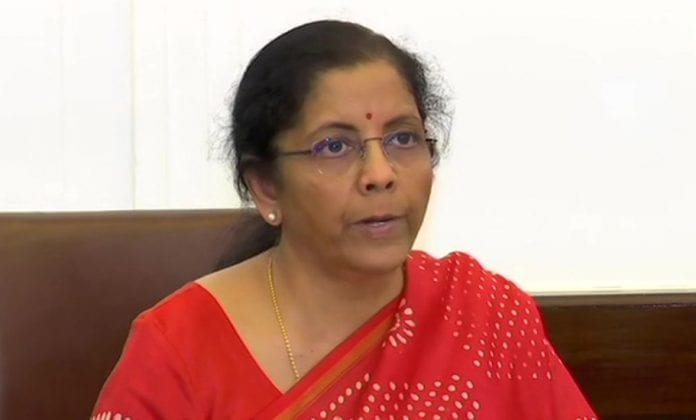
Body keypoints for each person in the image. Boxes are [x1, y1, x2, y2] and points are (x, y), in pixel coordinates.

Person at [92, 20, 596, 419]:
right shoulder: (178, 348)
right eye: (334, 146)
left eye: (403, 138)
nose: (380, 174)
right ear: (266, 186)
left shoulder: (484, 317)